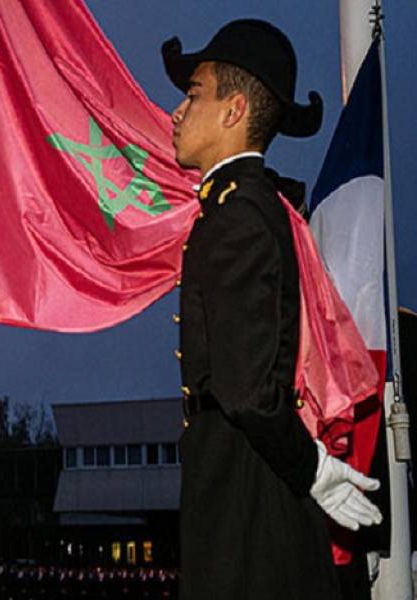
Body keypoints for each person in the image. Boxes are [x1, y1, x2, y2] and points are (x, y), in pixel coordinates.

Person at [161, 20, 383, 599]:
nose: (177, 113)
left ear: (234, 111)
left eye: (193, 94)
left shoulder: (239, 217)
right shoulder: (247, 207)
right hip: (249, 480)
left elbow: (245, 393)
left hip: (246, 492)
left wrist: (313, 469)